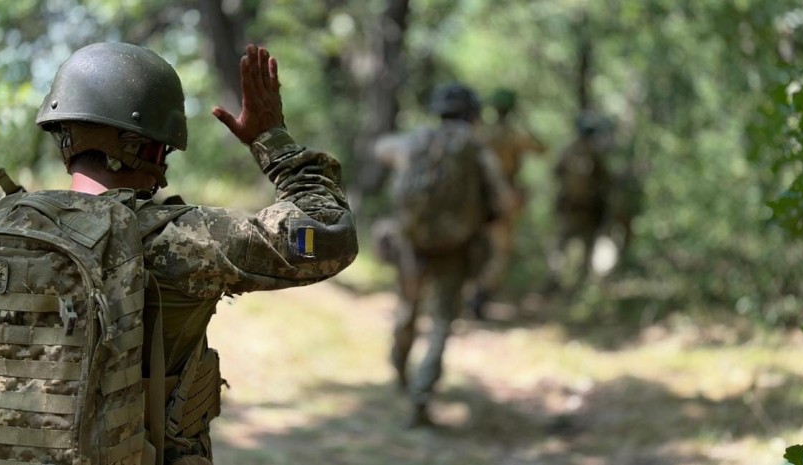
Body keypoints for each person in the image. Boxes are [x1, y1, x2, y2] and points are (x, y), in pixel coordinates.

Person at [35, 42, 358, 464]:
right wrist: (272, 140)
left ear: (66, 137)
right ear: (147, 147)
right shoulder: (176, 239)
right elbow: (327, 235)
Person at [372, 83, 512, 428]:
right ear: (473, 113)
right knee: (441, 324)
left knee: (408, 310)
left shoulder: (414, 141)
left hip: (412, 243)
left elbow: (380, 149)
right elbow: (504, 201)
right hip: (454, 248)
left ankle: (400, 371)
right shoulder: (476, 147)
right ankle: (421, 397)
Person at [470, 88, 547, 318]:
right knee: (500, 253)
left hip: (477, 201)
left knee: (476, 250)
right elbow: (542, 149)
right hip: (502, 202)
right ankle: (479, 296)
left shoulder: (481, 132)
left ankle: (471, 295)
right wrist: (525, 120)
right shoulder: (514, 134)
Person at [551, 109, 612, 291]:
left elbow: (556, 174)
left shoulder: (569, 151)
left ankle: (558, 281)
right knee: (582, 245)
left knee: (562, 244)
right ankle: (578, 284)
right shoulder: (595, 153)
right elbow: (606, 180)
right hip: (584, 209)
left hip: (575, 208)